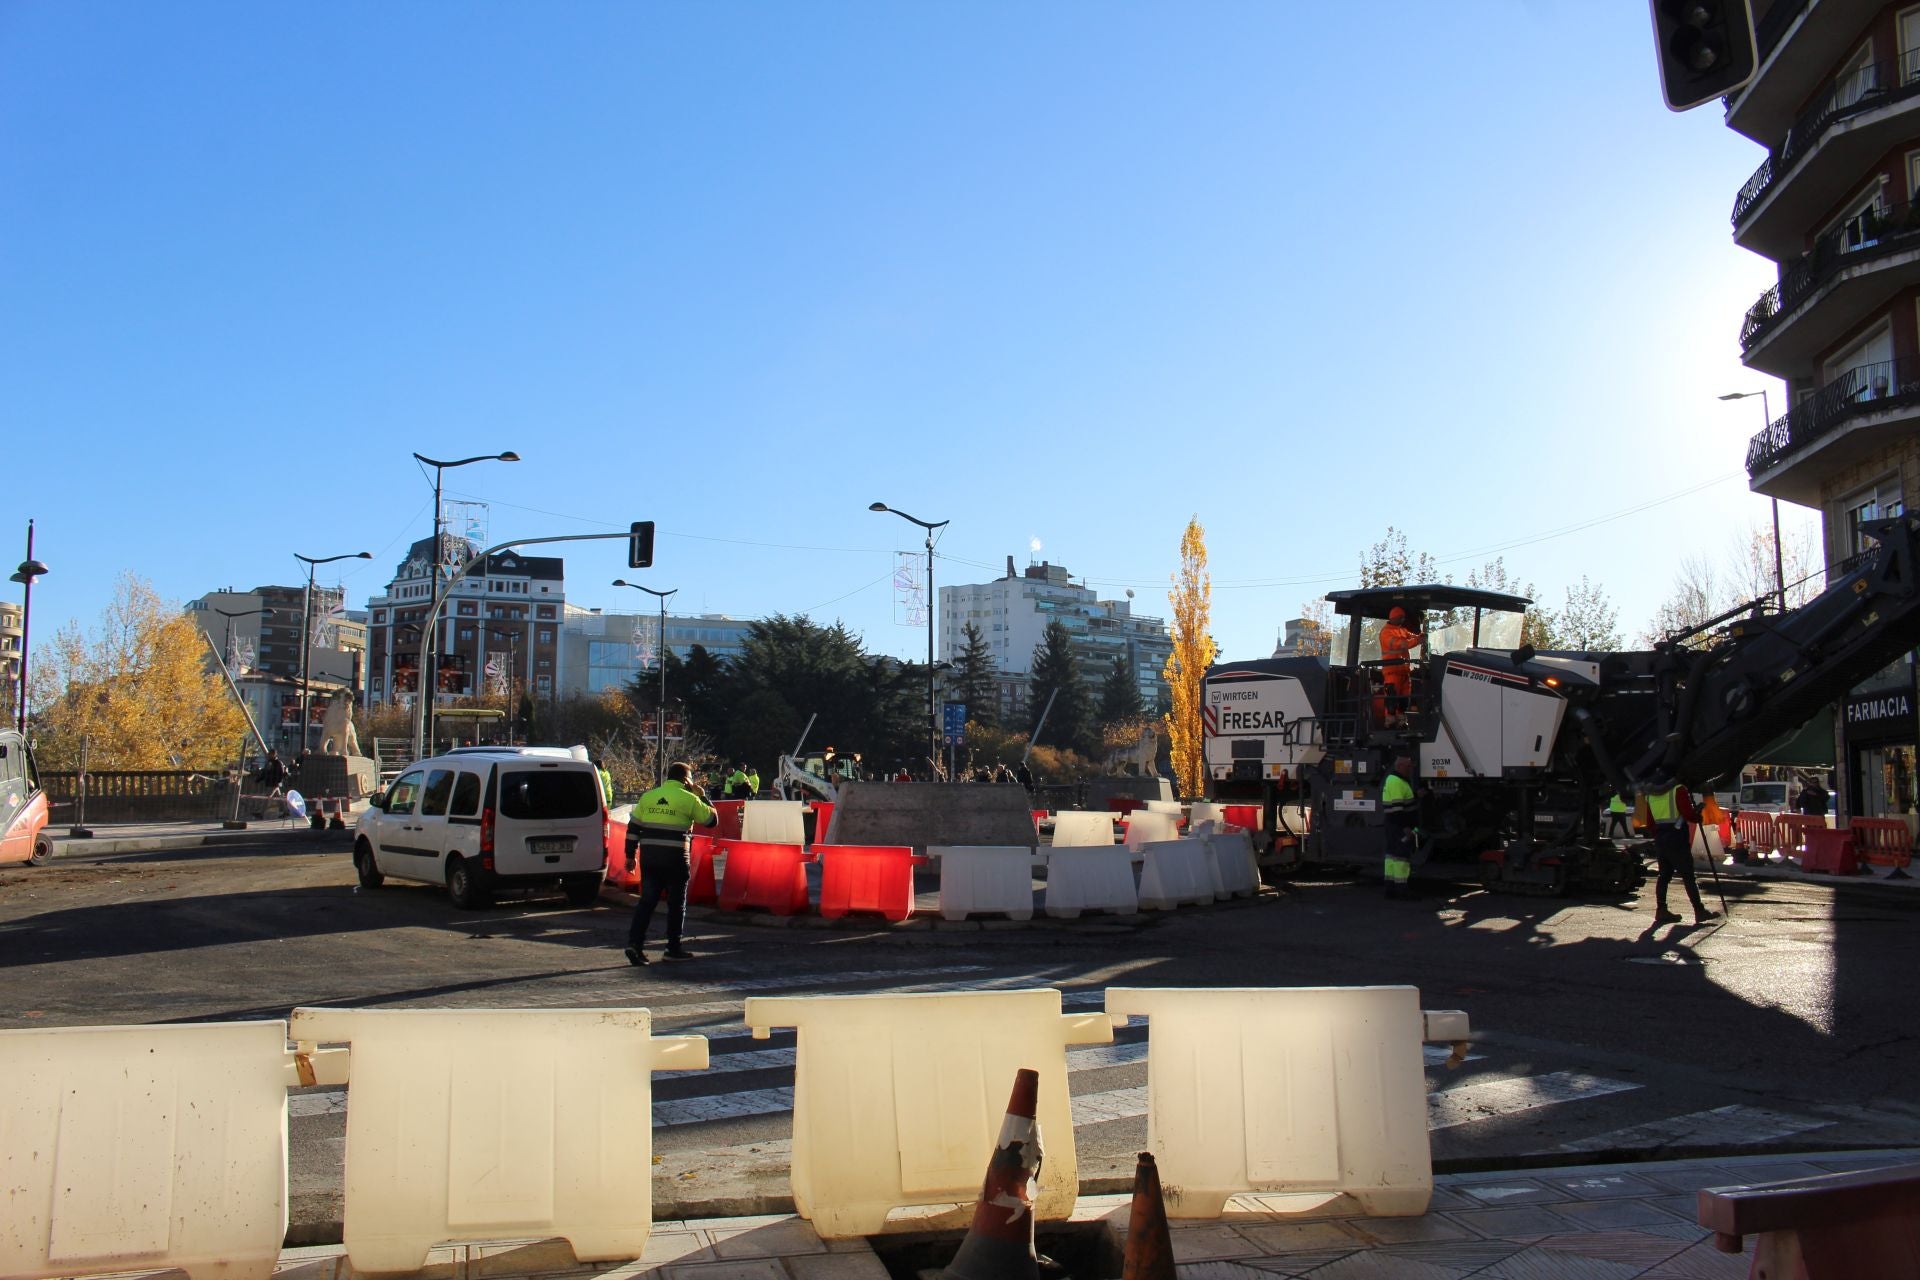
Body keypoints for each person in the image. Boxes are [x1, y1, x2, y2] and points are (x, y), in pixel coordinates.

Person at [624, 761, 717, 965]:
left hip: (650, 859)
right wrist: (701, 795)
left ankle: (634, 944)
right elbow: (712, 820)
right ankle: (672, 948)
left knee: (647, 902)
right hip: (676, 859)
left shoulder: (648, 797)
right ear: (685, 779)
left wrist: (630, 856)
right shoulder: (690, 798)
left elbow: (632, 829)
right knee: (676, 904)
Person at [1644, 772, 1717, 926]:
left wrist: (1658, 835)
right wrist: (1697, 817)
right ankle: (1699, 911)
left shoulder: (1650, 795)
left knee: (1664, 875)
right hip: (1676, 837)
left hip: (1661, 838)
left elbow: (1650, 822)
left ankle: (1661, 909)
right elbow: (1688, 814)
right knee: (1687, 875)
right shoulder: (1678, 789)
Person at [1381, 756, 1419, 898]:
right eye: (1408, 767)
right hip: (1398, 826)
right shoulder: (1396, 782)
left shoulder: (1395, 780)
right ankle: (1402, 889)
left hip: (1393, 825)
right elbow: (1397, 809)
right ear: (1400, 766)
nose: (1410, 769)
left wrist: (1415, 795)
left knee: (1391, 856)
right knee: (1401, 857)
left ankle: (1390, 888)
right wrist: (1406, 828)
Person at [1379, 607, 1422, 724]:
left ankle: (1402, 722)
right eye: (1401, 618)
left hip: (1404, 671)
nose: (1403, 620)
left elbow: (1411, 636)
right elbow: (1400, 644)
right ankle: (1390, 722)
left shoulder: (1401, 630)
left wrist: (1419, 637)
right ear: (1394, 618)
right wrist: (1417, 641)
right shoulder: (1386, 633)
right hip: (1392, 671)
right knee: (1391, 699)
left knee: (1404, 700)